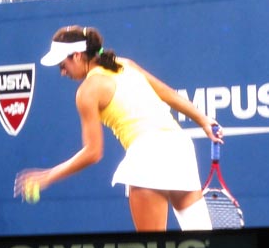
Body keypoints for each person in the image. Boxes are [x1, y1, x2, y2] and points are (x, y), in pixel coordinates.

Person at [13, 25, 222, 231]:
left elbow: (93, 153)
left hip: (149, 154)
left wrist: (49, 176)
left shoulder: (87, 91)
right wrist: (202, 119)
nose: (62, 72)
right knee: (200, 243)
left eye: (62, 64)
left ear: (77, 56)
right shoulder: (125, 65)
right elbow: (169, 94)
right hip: (180, 148)